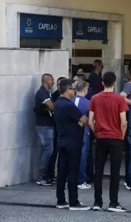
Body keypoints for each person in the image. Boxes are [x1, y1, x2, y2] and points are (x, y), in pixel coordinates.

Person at [89, 71, 129, 212]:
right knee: (115, 171)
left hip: (101, 137)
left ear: (102, 83)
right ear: (115, 82)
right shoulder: (120, 100)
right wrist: (121, 136)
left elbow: (90, 120)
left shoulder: (94, 98)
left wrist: (97, 133)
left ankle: (97, 202)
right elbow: (123, 122)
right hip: (116, 137)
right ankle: (113, 202)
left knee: (98, 170)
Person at [53, 79, 90, 210]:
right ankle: (74, 201)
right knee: (73, 171)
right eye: (73, 90)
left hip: (62, 140)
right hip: (73, 142)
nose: (74, 92)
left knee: (62, 172)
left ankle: (61, 200)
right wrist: (82, 122)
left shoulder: (57, 103)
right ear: (68, 91)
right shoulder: (68, 105)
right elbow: (84, 120)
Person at [34, 73, 55, 186]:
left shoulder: (47, 92)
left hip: (47, 125)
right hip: (44, 125)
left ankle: (46, 175)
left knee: (47, 149)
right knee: (48, 150)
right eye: (52, 80)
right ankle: (41, 176)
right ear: (47, 81)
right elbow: (52, 106)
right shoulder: (42, 93)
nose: (53, 82)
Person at [71, 81, 92, 190]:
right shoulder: (88, 103)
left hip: (70, 132)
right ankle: (80, 180)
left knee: (71, 157)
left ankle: (70, 179)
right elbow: (90, 120)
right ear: (85, 90)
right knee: (82, 157)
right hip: (84, 132)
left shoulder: (70, 100)